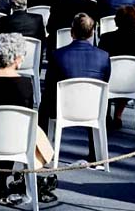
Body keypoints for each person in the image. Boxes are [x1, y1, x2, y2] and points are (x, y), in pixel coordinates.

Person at [0, 33, 41, 204]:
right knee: (14, 129)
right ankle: (3, 180)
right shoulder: (26, 84)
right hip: (16, 142)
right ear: (17, 58)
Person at [42, 14, 110, 161]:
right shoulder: (104, 56)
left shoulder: (57, 55)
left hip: (63, 108)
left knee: (44, 103)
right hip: (93, 110)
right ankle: (95, 153)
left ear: (71, 32)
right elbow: (105, 81)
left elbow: (49, 85)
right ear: (92, 33)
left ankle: (42, 151)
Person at [98, 5, 135, 129]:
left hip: (109, 81)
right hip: (131, 83)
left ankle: (106, 112)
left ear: (117, 20)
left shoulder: (106, 37)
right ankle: (118, 115)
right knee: (129, 73)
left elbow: (99, 59)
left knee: (104, 72)